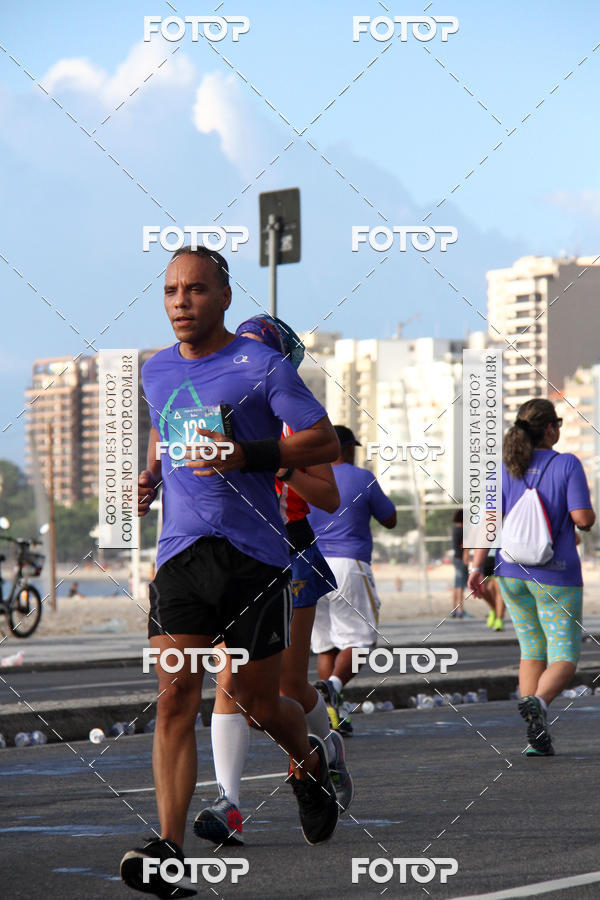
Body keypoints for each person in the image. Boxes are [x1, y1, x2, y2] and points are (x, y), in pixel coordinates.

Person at [120, 246, 341, 898]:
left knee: (252, 702)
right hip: (181, 555)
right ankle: (170, 850)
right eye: (170, 291)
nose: (180, 301)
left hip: (255, 557)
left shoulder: (260, 365)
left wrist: (248, 453)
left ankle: (308, 766)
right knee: (174, 697)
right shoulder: (155, 372)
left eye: (194, 289)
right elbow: (170, 430)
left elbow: (323, 441)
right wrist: (153, 472)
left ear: (223, 296)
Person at [195, 315, 354, 848]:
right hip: (233, 554)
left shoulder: (291, 418)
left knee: (286, 687)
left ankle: (325, 752)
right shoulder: (214, 413)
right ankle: (229, 803)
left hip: (291, 552)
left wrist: (275, 466)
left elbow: (329, 497)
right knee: (228, 682)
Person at [468, 398, 595, 756]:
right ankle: (539, 701)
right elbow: (583, 518)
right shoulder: (566, 463)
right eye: (558, 423)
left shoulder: (504, 467)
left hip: (510, 573)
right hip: (556, 576)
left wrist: (477, 568)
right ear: (551, 429)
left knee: (531, 649)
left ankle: (536, 736)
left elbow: (487, 524)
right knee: (565, 655)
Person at [308, 425, 397, 735]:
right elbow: (390, 519)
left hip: (311, 567)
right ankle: (333, 686)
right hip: (349, 565)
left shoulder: (303, 477)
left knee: (326, 644)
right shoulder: (361, 477)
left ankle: (332, 713)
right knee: (360, 640)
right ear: (343, 447)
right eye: (352, 447)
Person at [480, 548, 505, 631]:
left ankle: (499, 619)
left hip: (500, 555)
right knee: (480, 587)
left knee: (499, 589)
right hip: (483, 556)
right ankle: (493, 609)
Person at [450, 509, 468, 618]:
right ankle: (460, 610)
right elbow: (465, 547)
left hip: (455, 558)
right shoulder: (463, 530)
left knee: (456, 585)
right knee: (460, 586)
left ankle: (453, 609)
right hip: (461, 559)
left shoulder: (454, 529)